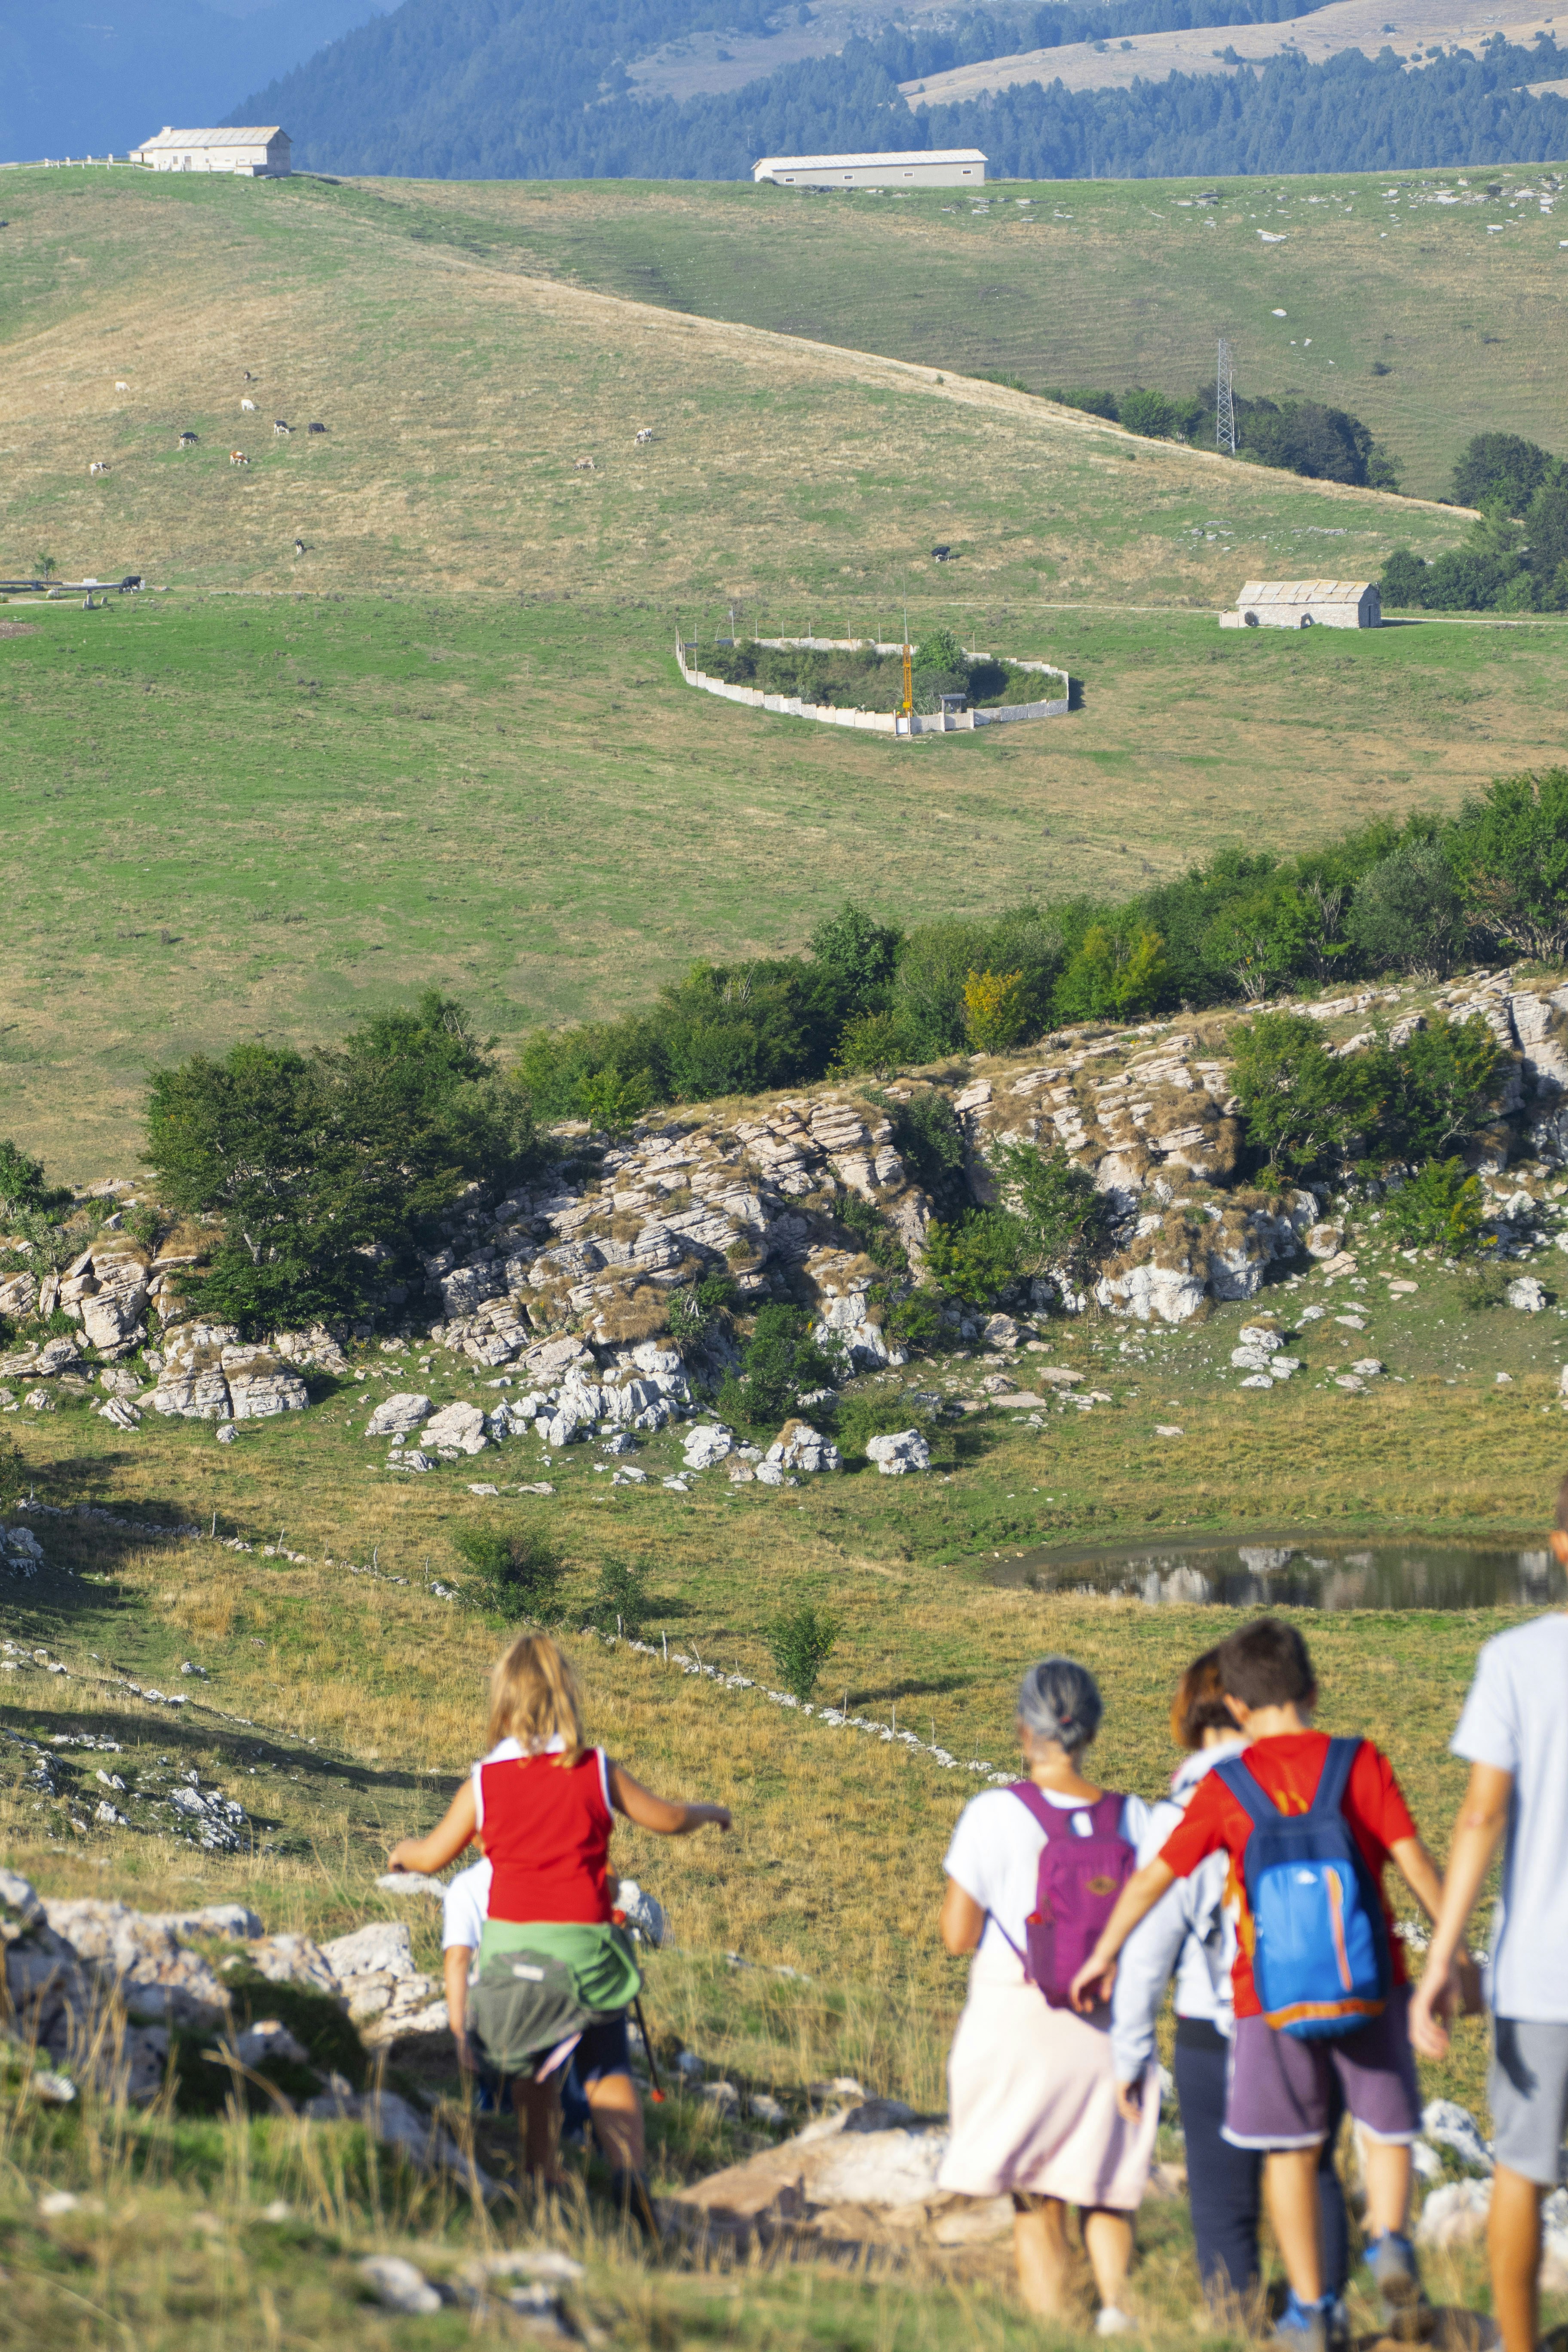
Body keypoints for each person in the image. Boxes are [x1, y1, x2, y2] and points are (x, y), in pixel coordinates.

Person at [1070, 1617, 1446, 2352]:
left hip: (1263, 1998)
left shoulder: (1224, 1788)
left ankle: (1311, 2311)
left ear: (1236, 1706)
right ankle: (1391, 2240)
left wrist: (1105, 1952)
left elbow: (1158, 1880)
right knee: (1384, 2126)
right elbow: (1414, 1861)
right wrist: (1451, 1951)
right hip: (1372, 1982)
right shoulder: (1360, 1761)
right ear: (1314, 1688)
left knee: (1288, 2153)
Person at [388, 1632, 731, 2223]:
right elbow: (668, 1820)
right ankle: (629, 2176)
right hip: (587, 1951)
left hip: (514, 1957)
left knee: (532, 2070)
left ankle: (538, 2173)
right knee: (605, 2069)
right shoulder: (597, 1770)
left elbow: (433, 1856)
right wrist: (707, 1812)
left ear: (501, 1705)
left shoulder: (483, 1785)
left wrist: (404, 1852)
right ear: (567, 1699)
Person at [1110, 1648, 1350, 2323]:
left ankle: (1236, 2329)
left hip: (1214, 2027)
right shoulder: (1315, 1785)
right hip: (1316, 2015)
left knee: (1225, 2209)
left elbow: (1148, 1951)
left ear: (1190, 1712)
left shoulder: (1186, 1806)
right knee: (1316, 2176)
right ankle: (1324, 2318)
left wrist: (1130, 2055)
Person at [937, 1656, 1159, 2336]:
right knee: (1103, 2186)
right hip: (1106, 2021)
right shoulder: (1135, 1818)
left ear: (1021, 1731)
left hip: (1019, 2020)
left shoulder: (991, 1814)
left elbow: (956, 1936)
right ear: (1091, 1730)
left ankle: (1050, 2327)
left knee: (1036, 2192)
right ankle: (1119, 2312)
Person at [1408, 1478, 1568, 2352]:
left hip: (1542, 1969)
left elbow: (1480, 1816)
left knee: (1522, 2168)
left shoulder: (1516, 1659)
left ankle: (1516, 2344)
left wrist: (1443, 1959)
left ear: (1559, 1545)